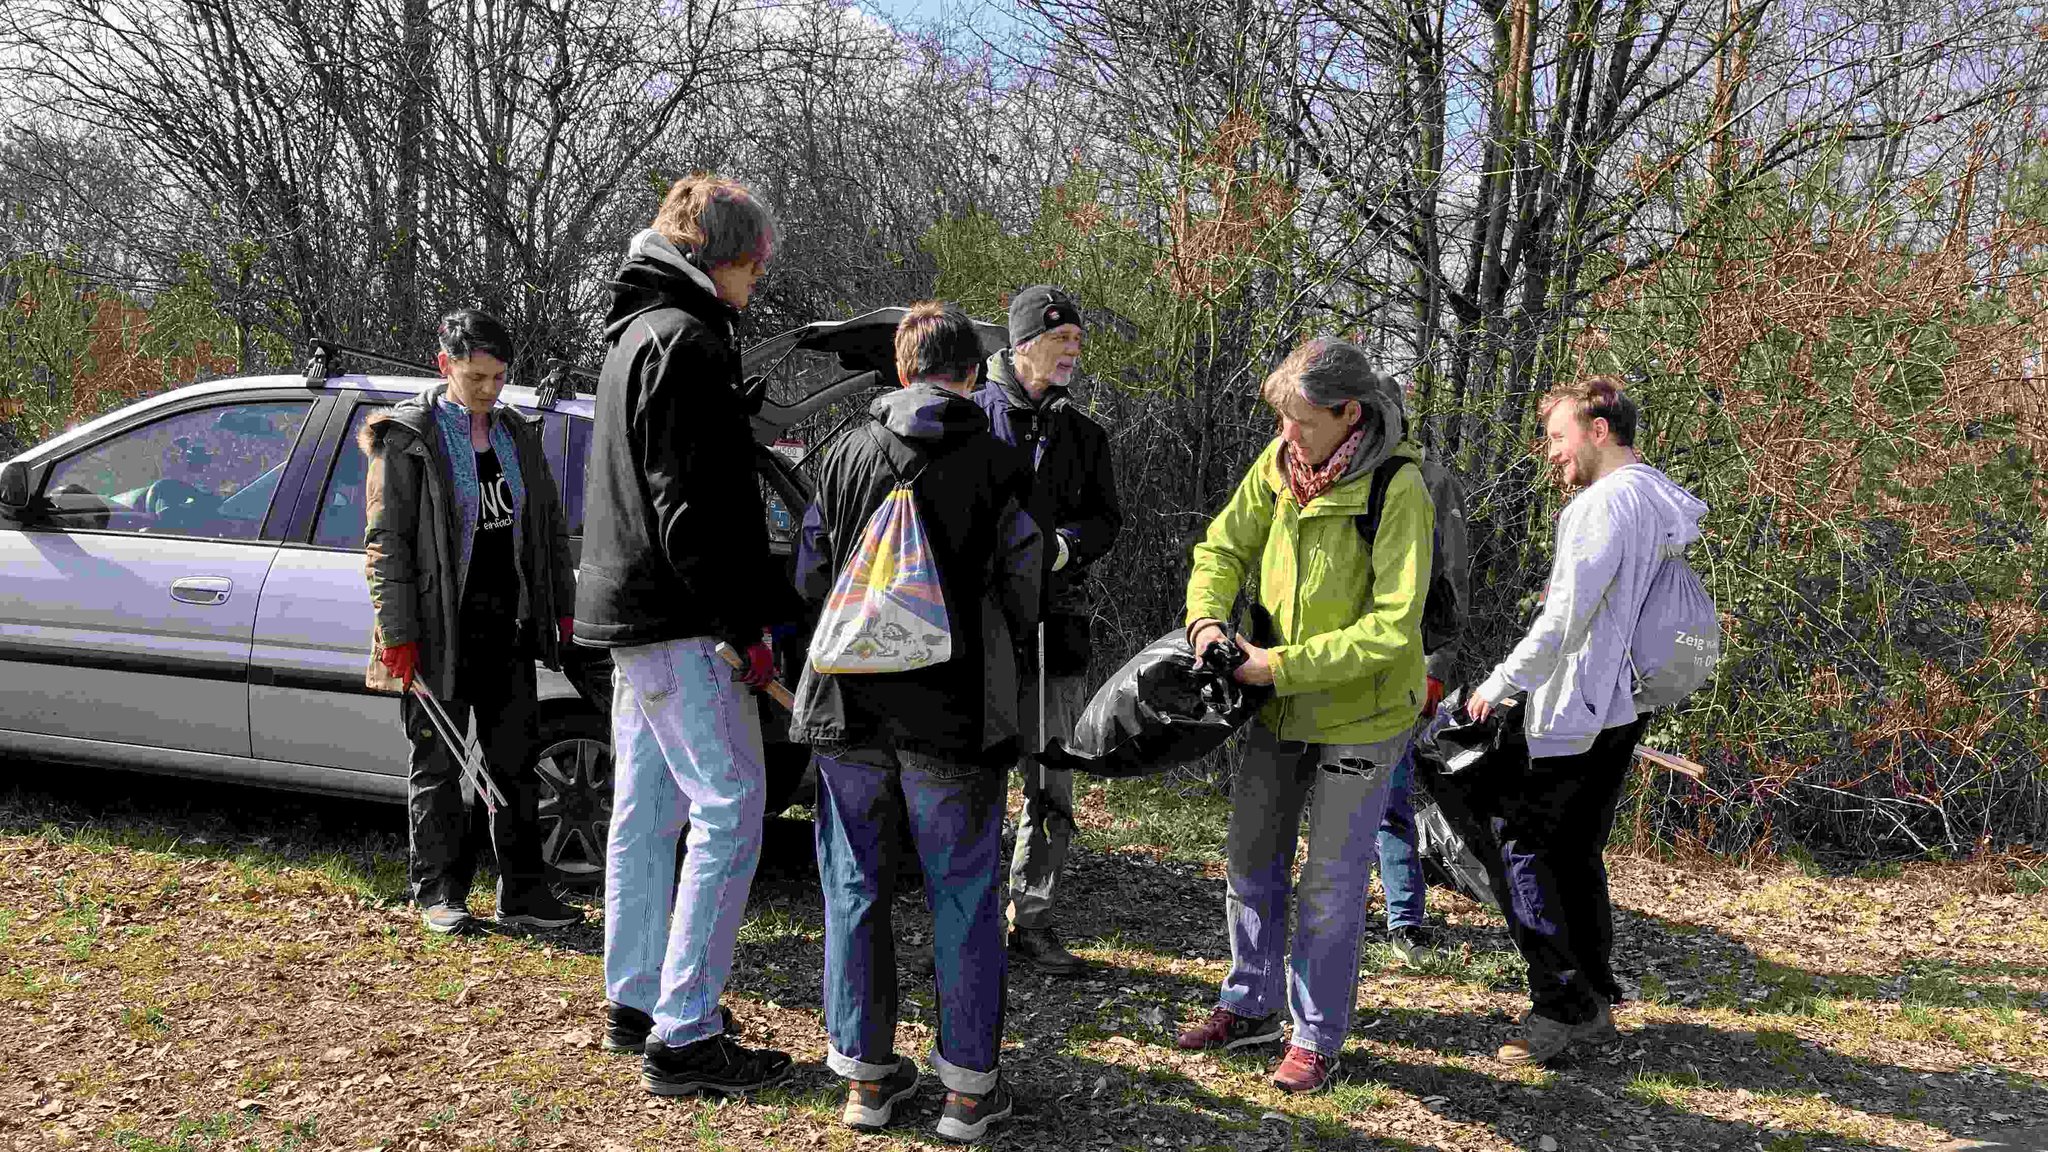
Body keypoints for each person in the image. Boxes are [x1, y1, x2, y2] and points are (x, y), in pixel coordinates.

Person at [790, 301, 1042, 1142]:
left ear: (901, 370)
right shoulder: (1001, 460)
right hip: (955, 717)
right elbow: (1026, 587)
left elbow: (810, 575)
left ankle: (865, 1083)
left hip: (849, 711)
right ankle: (968, 1092)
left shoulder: (842, 453)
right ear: (972, 375)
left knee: (855, 888)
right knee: (964, 896)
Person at [574, 174, 801, 1096]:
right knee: (733, 808)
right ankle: (686, 1033)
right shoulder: (686, 341)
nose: (758, 283)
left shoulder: (635, 335)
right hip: (680, 620)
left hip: (635, 615)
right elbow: (691, 508)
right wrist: (743, 626)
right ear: (728, 258)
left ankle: (634, 1000)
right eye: (755, 266)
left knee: (648, 812)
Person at [1175, 338, 1434, 1094]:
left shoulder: (1398, 489)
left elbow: (1393, 625)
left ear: (1349, 413)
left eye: (1301, 421)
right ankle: (1249, 1001)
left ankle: (1316, 1036)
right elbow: (1220, 549)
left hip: (1363, 713)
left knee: (1330, 881)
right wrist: (1206, 626)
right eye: (1281, 420)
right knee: (1252, 856)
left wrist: (1278, 664)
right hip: (1275, 704)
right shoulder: (1280, 462)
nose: (1287, 435)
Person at [1466, 375, 1705, 1064]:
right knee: (1575, 848)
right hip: (1628, 704)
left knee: (1523, 841)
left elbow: (1564, 621)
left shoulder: (1603, 506)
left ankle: (1565, 1008)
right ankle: (1594, 991)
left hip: (1584, 705)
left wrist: (1500, 685)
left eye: (1559, 437)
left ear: (1598, 431)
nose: (1552, 453)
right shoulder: (1657, 498)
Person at [363, 308, 583, 937]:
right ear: (446, 366)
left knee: (514, 762)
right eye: (477, 375)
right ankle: (438, 892)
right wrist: (396, 635)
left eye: (498, 376)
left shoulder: (516, 433)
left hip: (506, 629)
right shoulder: (408, 438)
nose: (489, 388)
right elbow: (385, 545)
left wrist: (557, 605)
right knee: (438, 766)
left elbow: (543, 528)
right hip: (438, 634)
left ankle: (524, 895)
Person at [972, 284, 1121, 976]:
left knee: (1050, 782)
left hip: (1055, 629)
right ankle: (966, 916)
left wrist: (1065, 546)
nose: (1072, 353)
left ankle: (1031, 919)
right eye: (1062, 340)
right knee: (970, 778)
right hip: (980, 634)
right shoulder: (971, 418)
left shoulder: (1086, 437)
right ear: (1025, 342)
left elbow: (1107, 518)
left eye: (1078, 342)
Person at [1376, 381, 1472, 968]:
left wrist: (1436, 669)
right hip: (1320, 669)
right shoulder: (1319, 470)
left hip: (1402, 668)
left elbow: (1452, 589)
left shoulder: (1432, 482)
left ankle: (1405, 918)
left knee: (1389, 795)